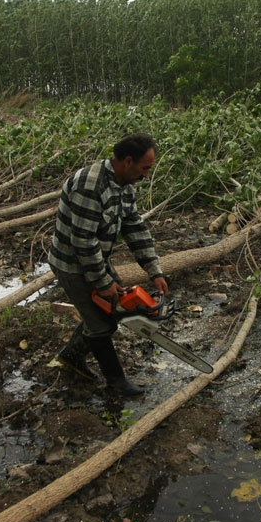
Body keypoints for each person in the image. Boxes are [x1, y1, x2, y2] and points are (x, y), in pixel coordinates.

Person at [48, 133, 169, 395]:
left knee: (109, 309)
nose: (146, 175)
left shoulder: (125, 185)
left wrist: (154, 270)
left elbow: (134, 226)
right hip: (72, 263)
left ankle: (70, 357)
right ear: (127, 161)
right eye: (145, 168)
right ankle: (117, 383)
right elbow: (82, 240)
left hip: (96, 258)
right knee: (103, 324)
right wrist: (103, 282)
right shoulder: (90, 185)